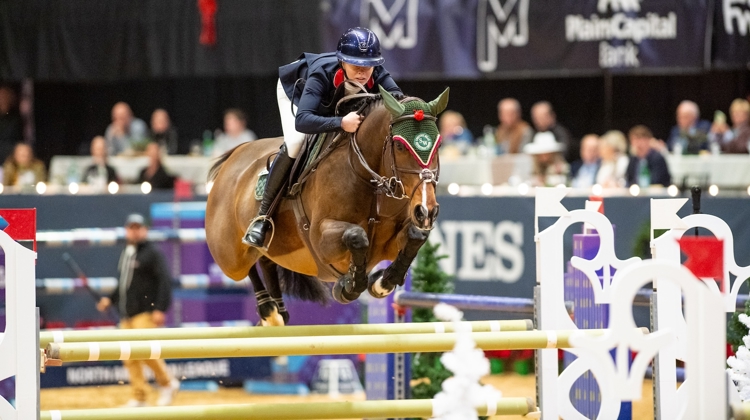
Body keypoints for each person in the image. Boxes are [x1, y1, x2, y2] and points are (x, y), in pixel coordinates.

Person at [243, 27, 403, 248]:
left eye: (368, 66)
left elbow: (399, 101)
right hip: (297, 94)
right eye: (356, 66)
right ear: (342, 62)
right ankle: (262, 218)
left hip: (333, 105)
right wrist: (340, 123)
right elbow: (303, 120)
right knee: (296, 142)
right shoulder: (322, 74)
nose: (363, 73)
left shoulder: (376, 72)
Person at [96, 214, 179, 407]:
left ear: (145, 230)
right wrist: (110, 299)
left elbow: (164, 282)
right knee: (129, 355)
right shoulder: (127, 252)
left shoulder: (152, 253)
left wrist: (160, 308)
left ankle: (167, 383)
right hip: (127, 313)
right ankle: (139, 395)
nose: (134, 231)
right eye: (131, 228)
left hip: (145, 312)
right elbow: (123, 283)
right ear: (126, 230)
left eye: (137, 228)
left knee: (146, 352)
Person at [0, 85, 22, 164]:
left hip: (11, 160)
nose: (3, 100)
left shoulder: (16, 119)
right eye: (1, 97)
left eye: (5, 97)